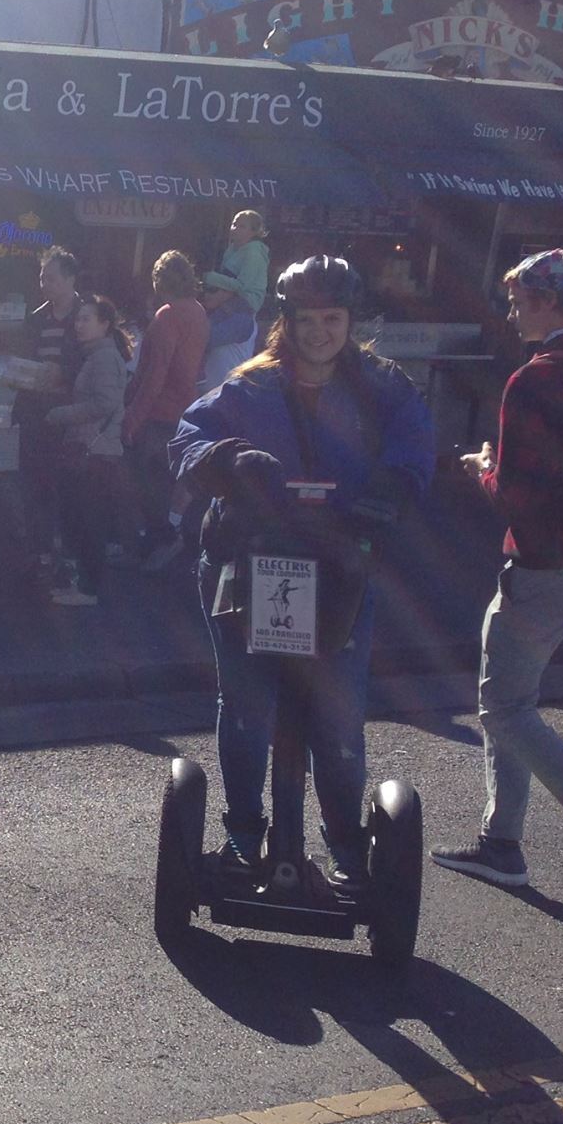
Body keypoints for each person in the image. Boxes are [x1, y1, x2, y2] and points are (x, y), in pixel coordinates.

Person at [169, 255, 433, 885]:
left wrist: (392, 489)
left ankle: (346, 847)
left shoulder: (383, 386)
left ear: (350, 320)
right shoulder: (250, 385)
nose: (319, 332)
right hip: (246, 562)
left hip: (338, 567)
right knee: (247, 710)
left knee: (338, 719)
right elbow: (187, 437)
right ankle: (242, 836)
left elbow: (414, 446)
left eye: (332, 319)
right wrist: (229, 461)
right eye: (307, 319)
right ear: (286, 321)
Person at [432, 249, 563, 888]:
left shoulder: (534, 380)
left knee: (505, 708)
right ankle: (499, 841)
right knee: (513, 699)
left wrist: (482, 468)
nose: (511, 315)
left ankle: (502, 844)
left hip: (540, 564)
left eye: (518, 303)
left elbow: (515, 494)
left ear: (547, 302)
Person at [44, 294, 132, 607]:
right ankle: (82, 585)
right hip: (93, 447)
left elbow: (105, 403)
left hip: (94, 450)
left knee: (88, 521)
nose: (79, 325)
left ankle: (88, 588)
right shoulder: (97, 356)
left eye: (86, 319)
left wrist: (61, 415)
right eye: (78, 319)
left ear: (104, 324)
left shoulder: (103, 358)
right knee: (84, 519)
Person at [125, 250, 210, 571]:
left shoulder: (167, 316)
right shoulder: (198, 312)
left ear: (159, 281)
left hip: (158, 413)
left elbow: (154, 375)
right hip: (184, 409)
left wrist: (133, 418)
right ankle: (168, 541)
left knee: (147, 485)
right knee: (170, 481)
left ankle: (159, 543)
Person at [17, 246, 85, 577]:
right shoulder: (35, 318)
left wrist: (64, 374)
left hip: (72, 412)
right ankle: (37, 549)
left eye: (52, 279)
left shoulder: (88, 316)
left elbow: (95, 360)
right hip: (35, 410)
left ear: (71, 280)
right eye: (43, 278)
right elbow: (23, 357)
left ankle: (68, 551)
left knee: (70, 484)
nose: (45, 284)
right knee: (34, 481)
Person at [199, 209, 272, 392]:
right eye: (234, 224)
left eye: (242, 226)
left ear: (254, 232)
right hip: (228, 303)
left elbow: (243, 285)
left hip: (243, 305)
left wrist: (210, 277)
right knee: (201, 333)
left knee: (202, 338)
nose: (235, 229)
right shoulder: (232, 250)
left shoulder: (254, 251)